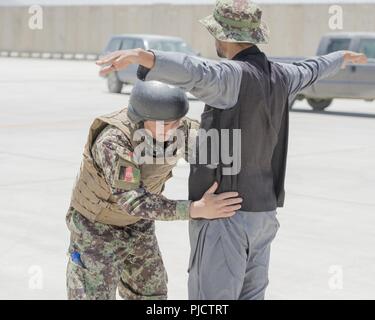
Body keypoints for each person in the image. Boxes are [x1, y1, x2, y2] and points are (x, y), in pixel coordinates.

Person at [96, 0, 367, 300]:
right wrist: (340, 57)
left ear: (222, 36)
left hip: (224, 217)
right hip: (263, 217)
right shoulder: (283, 76)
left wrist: (143, 57)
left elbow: (194, 71)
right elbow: (312, 69)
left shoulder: (230, 77)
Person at [66, 80, 243, 300]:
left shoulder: (180, 128)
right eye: (162, 124)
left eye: (175, 123)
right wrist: (195, 209)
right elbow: (134, 202)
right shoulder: (114, 141)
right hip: (96, 228)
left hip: (139, 225)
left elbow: (213, 151)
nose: (170, 131)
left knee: (152, 295)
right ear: (140, 118)